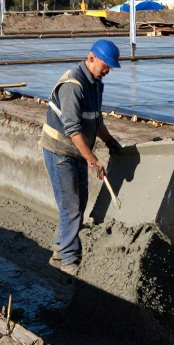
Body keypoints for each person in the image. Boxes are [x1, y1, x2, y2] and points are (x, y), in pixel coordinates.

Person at [39, 39, 123, 274]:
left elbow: (96, 121)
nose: (108, 71)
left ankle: (58, 246)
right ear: (91, 58)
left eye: (110, 67)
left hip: (77, 150)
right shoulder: (73, 85)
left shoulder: (96, 83)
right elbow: (73, 130)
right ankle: (68, 260)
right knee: (72, 207)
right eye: (106, 65)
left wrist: (110, 141)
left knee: (78, 203)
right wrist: (93, 160)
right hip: (60, 150)